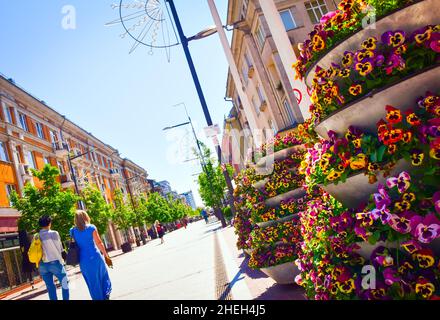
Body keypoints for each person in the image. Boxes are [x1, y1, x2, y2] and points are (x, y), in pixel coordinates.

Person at [70, 210, 112, 300]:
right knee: (103, 276)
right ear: (85, 217)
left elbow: (74, 246)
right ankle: (105, 295)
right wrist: (106, 255)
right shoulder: (91, 228)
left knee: (92, 282)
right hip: (95, 257)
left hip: (83, 261)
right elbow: (99, 243)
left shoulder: (72, 231)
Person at [37, 215, 69, 300]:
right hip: (55, 263)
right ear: (49, 223)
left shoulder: (36, 236)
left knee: (50, 287)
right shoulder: (54, 233)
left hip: (42, 265)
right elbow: (60, 248)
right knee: (64, 283)